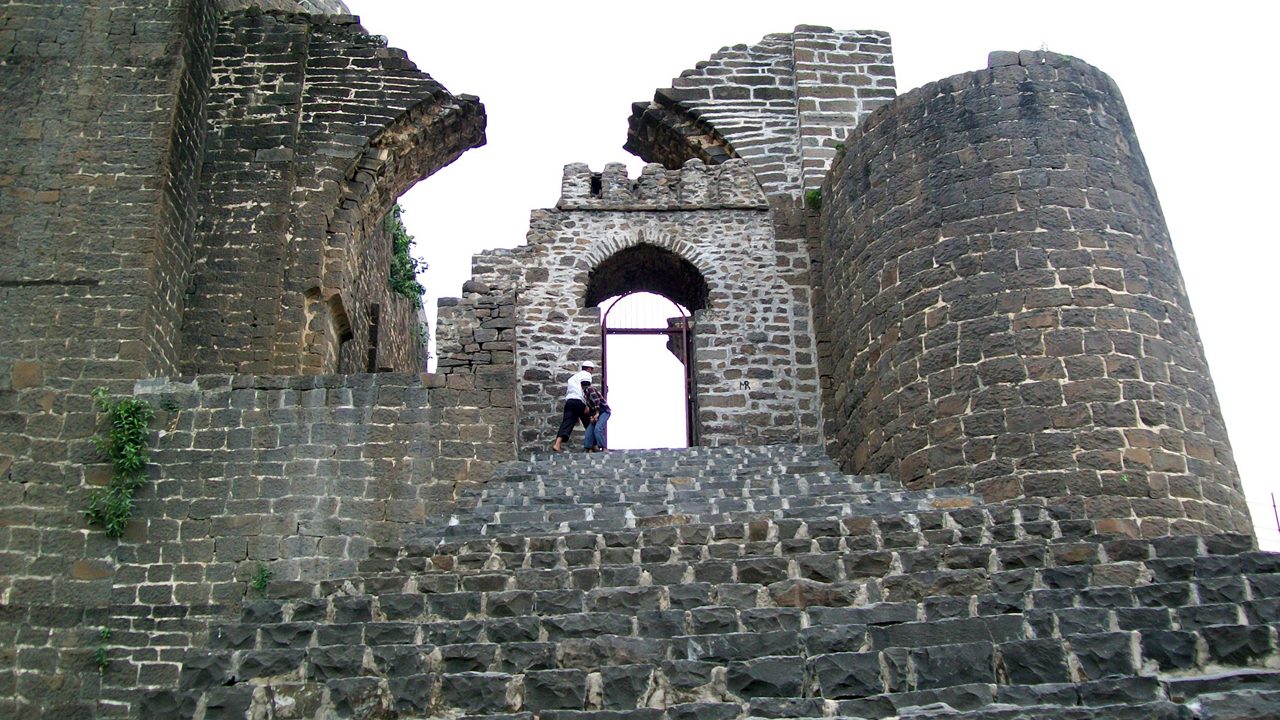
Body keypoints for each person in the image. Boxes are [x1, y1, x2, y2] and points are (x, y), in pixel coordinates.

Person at [551, 360, 594, 452]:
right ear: (589, 369)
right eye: (592, 370)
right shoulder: (586, 375)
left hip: (570, 402)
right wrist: (587, 404)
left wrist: (576, 415)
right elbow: (585, 388)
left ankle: (557, 444)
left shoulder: (572, 378)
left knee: (567, 423)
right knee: (589, 423)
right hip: (579, 401)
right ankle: (592, 446)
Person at [583, 382, 611, 452]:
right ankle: (588, 448)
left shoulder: (589, 389)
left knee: (598, 428)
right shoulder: (584, 395)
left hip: (604, 411)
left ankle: (603, 447)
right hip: (596, 413)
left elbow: (597, 401)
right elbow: (591, 408)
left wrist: (597, 413)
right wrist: (592, 417)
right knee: (589, 430)